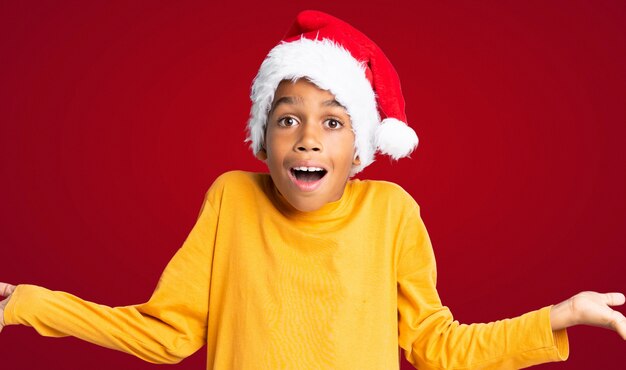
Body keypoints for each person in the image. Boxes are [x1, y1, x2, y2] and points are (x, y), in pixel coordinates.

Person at [0, 9, 624, 370]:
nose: (306, 139)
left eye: (332, 121)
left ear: (361, 149)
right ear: (262, 139)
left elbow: (436, 344)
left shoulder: (391, 213)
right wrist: (27, 303)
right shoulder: (231, 199)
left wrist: (559, 318)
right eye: (287, 118)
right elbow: (167, 331)